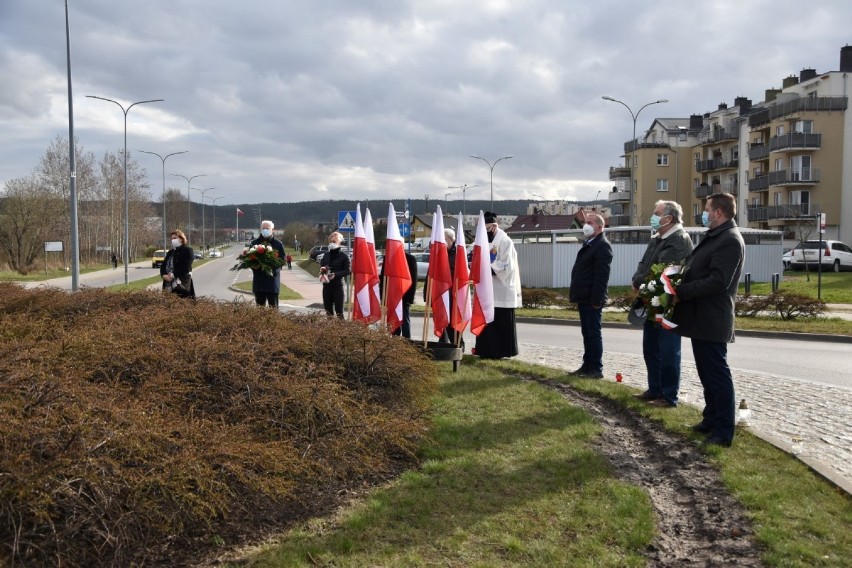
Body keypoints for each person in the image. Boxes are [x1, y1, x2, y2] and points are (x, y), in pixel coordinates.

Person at [672, 192, 744, 447]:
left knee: (717, 375)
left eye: (706, 209)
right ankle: (711, 419)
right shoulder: (716, 236)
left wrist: (680, 292)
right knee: (706, 374)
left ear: (718, 213)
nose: (703, 213)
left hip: (713, 317)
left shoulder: (729, 240)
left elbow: (718, 281)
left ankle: (724, 431)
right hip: (701, 317)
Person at [632, 200, 694, 407]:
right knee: (650, 348)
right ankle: (654, 388)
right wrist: (637, 280)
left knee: (667, 350)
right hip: (651, 301)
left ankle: (668, 396)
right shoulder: (658, 237)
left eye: (657, 213)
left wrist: (640, 282)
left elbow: (664, 270)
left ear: (669, 218)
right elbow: (644, 264)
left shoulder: (678, 239)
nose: (654, 216)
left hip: (668, 305)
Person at [569, 213, 612, 378]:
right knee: (586, 333)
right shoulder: (589, 243)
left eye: (590, 222)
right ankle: (587, 365)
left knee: (593, 333)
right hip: (584, 297)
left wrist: (597, 299)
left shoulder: (602, 245)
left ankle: (596, 368)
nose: (586, 225)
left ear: (600, 227)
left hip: (592, 299)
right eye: (585, 222)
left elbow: (602, 276)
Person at [474, 212, 521, 359]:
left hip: (502, 289)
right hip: (489, 289)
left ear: (494, 227)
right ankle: (486, 350)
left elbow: (505, 266)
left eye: (487, 229)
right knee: (488, 321)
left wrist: (486, 268)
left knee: (501, 322)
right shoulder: (486, 241)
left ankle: (502, 351)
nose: (485, 233)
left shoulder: (505, 241)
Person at [423, 228, 462, 346]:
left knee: (452, 321)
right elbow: (430, 274)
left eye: (443, 239)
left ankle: (459, 344)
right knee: (440, 317)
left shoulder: (458, 253)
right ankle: (443, 342)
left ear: (450, 240)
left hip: (453, 293)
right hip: (439, 292)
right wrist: (427, 293)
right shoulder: (438, 253)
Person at [380, 248, 417, 337]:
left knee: (404, 320)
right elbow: (383, 278)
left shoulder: (410, 258)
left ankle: (407, 342)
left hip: (404, 296)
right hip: (391, 295)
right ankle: (395, 342)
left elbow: (414, 279)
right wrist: (383, 296)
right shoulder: (388, 258)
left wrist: (410, 298)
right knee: (393, 320)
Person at [249, 220, 286, 307]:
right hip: (259, 282)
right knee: (260, 311)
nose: (265, 230)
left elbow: (282, 260)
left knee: (273, 310)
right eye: (263, 228)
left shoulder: (278, 244)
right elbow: (250, 260)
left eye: (267, 228)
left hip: (272, 282)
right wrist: (256, 266)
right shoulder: (254, 243)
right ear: (261, 229)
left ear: (272, 230)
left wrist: (271, 267)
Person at [319, 231, 351, 319]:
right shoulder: (326, 255)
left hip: (338, 286)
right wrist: (322, 272)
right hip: (326, 286)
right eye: (331, 241)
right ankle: (330, 332)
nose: (332, 243)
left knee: (339, 312)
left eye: (334, 241)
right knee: (328, 312)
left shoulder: (344, 256)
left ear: (339, 242)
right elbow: (322, 266)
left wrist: (336, 274)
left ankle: (342, 331)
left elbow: (348, 271)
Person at [160, 229, 195, 299]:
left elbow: (186, 267)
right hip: (168, 282)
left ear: (181, 239)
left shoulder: (188, 250)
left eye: (175, 238)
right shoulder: (171, 252)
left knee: (181, 304)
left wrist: (173, 274)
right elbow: (163, 265)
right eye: (172, 238)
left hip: (181, 283)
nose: (173, 240)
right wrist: (163, 274)